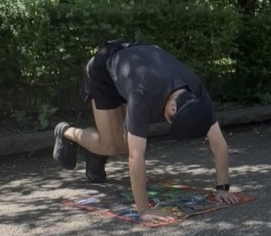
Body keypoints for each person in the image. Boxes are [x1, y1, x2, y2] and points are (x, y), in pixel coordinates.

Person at [52, 40, 241, 223]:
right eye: (170, 121)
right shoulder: (142, 95)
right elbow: (136, 156)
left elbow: (219, 143)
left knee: (124, 141)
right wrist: (143, 209)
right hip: (104, 70)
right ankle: (65, 131)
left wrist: (222, 188)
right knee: (113, 145)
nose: (166, 122)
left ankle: (95, 151)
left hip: (131, 69)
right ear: (173, 108)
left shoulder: (197, 92)